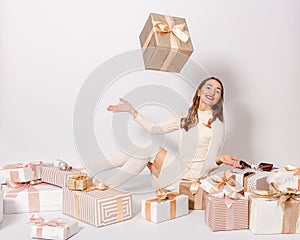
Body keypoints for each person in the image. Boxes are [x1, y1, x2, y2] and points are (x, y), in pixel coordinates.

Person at [106, 76, 242, 190]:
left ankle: (103, 185)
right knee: (143, 149)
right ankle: (104, 185)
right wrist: (131, 110)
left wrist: (218, 160)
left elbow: (209, 162)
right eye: (208, 87)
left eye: (218, 91)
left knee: (147, 147)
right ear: (199, 92)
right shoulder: (186, 116)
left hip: (193, 178)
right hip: (178, 169)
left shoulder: (217, 124)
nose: (212, 92)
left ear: (219, 99)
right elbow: (154, 129)